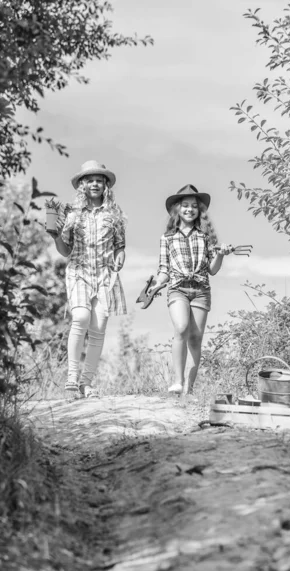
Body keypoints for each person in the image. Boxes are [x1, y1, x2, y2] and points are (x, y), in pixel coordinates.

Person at [48, 160, 127, 399]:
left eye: (99, 180)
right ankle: (72, 378)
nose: (95, 183)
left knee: (99, 327)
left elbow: (120, 247)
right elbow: (65, 250)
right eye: (90, 180)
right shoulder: (72, 214)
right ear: (83, 184)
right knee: (80, 317)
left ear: (105, 185)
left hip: (104, 274)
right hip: (79, 272)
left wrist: (119, 258)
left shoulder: (115, 215)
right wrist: (55, 236)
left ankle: (86, 382)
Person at [147, 184, 233, 395]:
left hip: (201, 289)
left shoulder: (206, 237)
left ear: (199, 210)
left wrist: (221, 253)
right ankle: (177, 381)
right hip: (178, 288)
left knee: (195, 337)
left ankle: (189, 389)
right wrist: (158, 283)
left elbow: (212, 270)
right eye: (185, 205)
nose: (189, 209)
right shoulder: (167, 238)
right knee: (182, 327)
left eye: (194, 206)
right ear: (177, 209)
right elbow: (164, 269)